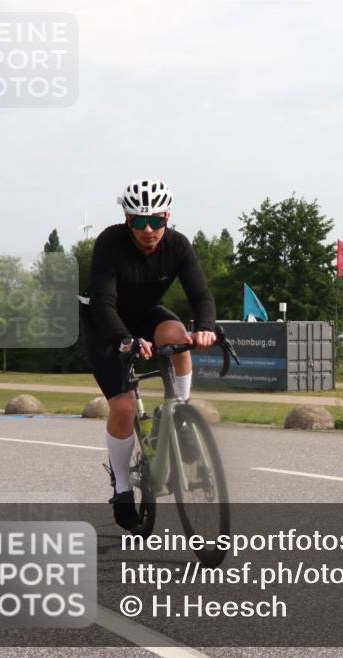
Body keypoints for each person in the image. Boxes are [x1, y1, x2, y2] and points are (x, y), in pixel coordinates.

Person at [80, 178, 216, 529]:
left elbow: (201, 296)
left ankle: (180, 411)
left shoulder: (178, 246)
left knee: (178, 336)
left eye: (156, 220)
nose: (148, 229)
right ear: (128, 220)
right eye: (139, 221)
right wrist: (126, 339)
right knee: (124, 406)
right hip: (105, 323)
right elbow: (104, 302)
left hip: (146, 315)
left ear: (167, 217)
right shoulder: (110, 242)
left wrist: (204, 328)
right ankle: (123, 486)